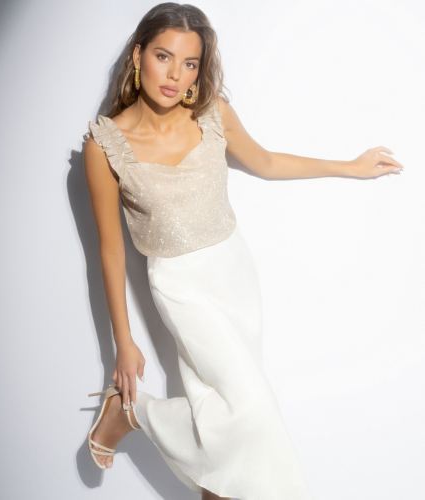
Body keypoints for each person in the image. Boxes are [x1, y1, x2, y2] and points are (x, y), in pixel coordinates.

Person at [82, 3, 403, 499]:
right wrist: (123, 342)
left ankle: (208, 484)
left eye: (190, 63)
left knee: (224, 416)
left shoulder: (213, 114)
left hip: (233, 272)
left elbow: (266, 162)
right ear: (138, 55)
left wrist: (349, 166)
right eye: (164, 57)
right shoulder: (105, 145)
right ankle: (133, 411)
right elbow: (109, 251)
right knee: (251, 412)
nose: (175, 74)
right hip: (179, 285)